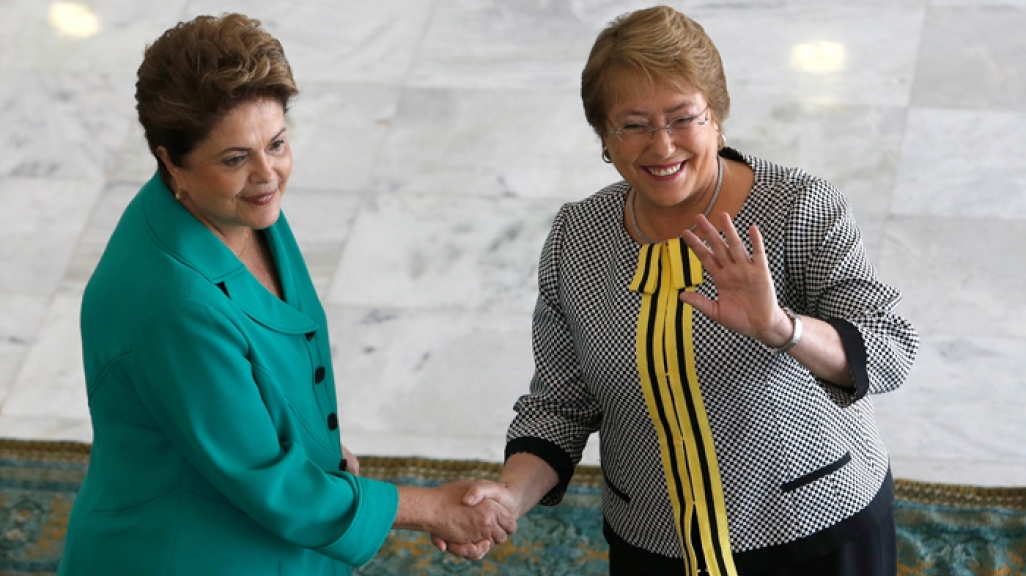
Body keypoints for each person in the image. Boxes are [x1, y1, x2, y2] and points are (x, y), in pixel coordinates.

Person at [438, 6, 919, 576]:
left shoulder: (798, 208)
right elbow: (560, 404)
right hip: (654, 544)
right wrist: (509, 496)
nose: (662, 147)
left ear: (716, 116)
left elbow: (888, 350)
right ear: (604, 138)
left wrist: (780, 328)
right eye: (634, 125)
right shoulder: (577, 237)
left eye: (682, 118)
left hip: (815, 532)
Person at [58, 14, 513, 575]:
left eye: (275, 143)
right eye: (234, 159)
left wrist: (323, 454)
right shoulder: (175, 303)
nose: (267, 174)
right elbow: (263, 477)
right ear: (170, 160)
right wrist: (432, 507)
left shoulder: (235, 208)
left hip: (275, 532)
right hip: (187, 554)